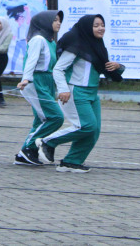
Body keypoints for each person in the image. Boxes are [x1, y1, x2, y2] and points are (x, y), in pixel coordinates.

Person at [36, 14, 124, 173]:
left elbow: (105, 68)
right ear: (86, 27)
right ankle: (47, 142)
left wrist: (119, 67)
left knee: (94, 130)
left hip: (92, 93)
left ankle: (71, 162)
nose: (100, 28)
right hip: (76, 92)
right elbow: (58, 69)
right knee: (87, 126)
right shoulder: (77, 46)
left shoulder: (97, 46)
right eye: (96, 25)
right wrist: (63, 89)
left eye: (102, 24)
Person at [15, 10, 64, 166]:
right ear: (45, 22)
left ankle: (27, 154)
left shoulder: (50, 41)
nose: (58, 23)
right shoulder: (38, 39)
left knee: (40, 119)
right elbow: (31, 60)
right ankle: (28, 148)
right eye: (55, 20)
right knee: (55, 117)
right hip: (36, 81)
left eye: (59, 20)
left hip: (48, 81)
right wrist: (26, 79)